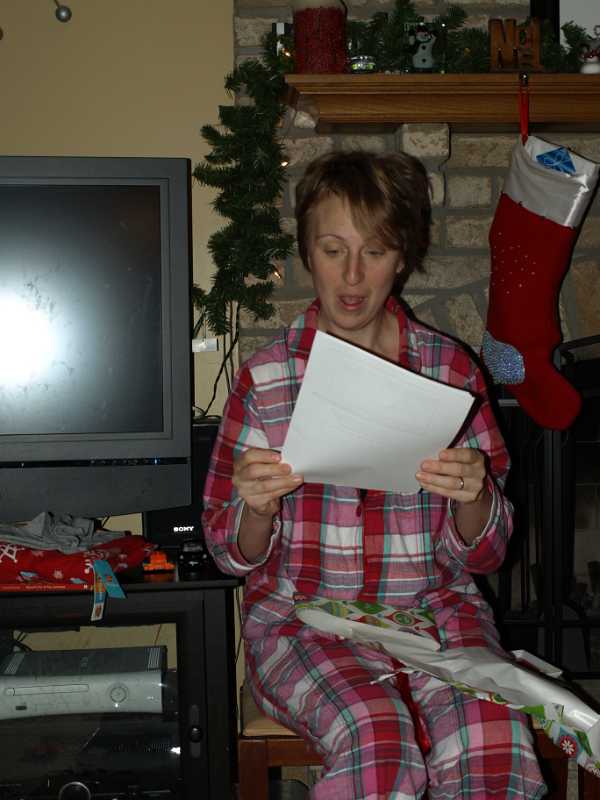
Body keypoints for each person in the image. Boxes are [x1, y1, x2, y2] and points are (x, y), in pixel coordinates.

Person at [202, 150, 546, 799]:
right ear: (307, 252)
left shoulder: (451, 372)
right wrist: (256, 510)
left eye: (376, 251)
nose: (353, 276)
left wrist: (473, 497)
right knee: (378, 738)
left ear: (403, 257)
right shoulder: (268, 379)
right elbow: (229, 554)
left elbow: (489, 554)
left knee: (493, 740)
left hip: (435, 614)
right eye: (333, 250)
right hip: (303, 621)